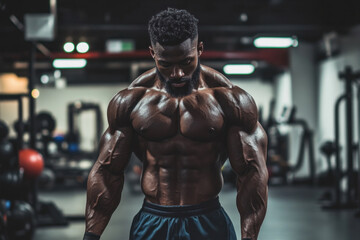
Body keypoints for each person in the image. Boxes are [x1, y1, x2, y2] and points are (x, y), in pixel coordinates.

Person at [83, 8, 268, 240]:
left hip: (208, 220)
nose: (177, 73)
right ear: (152, 53)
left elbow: (252, 173)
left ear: (200, 49)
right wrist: (91, 236)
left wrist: (249, 237)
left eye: (186, 61)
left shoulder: (230, 101)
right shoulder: (131, 101)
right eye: (166, 64)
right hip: (153, 220)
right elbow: (107, 172)